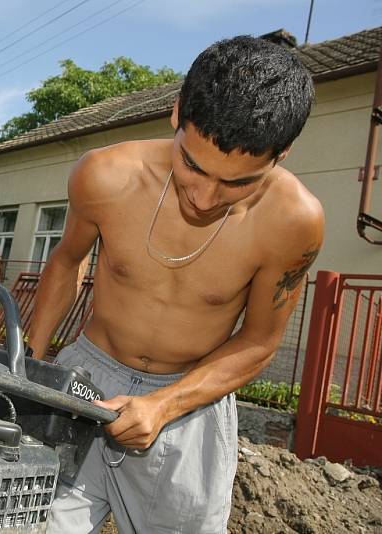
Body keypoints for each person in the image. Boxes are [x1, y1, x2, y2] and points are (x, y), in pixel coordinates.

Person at [29, 36, 324, 534]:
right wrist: (32, 365)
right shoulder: (104, 176)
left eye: (238, 183)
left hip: (190, 403)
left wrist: (165, 405)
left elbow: (258, 342)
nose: (206, 196)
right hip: (83, 382)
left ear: (283, 153)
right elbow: (65, 262)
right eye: (193, 165)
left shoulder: (295, 222)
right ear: (177, 112)